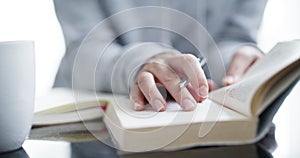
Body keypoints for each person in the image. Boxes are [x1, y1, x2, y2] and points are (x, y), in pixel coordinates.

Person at [53, 0, 267, 112]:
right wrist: (141, 62)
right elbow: (84, 49)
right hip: (95, 130)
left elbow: (234, 36)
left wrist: (236, 62)